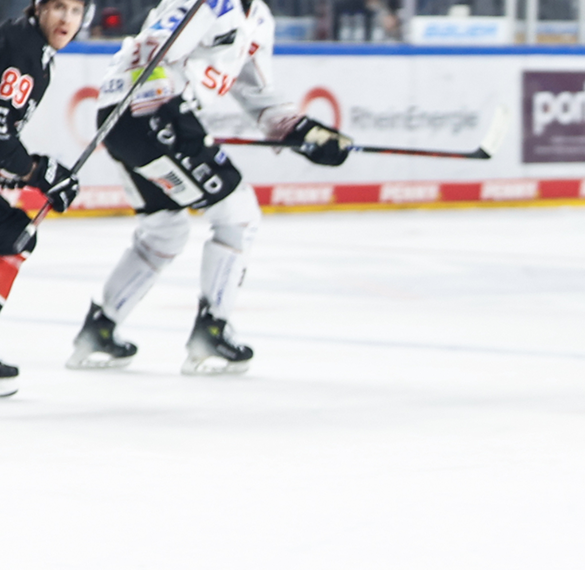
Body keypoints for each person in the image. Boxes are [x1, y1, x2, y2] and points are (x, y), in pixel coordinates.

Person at [69, 0, 353, 377]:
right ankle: (211, 332)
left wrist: (307, 133)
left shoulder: (259, 18)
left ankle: (99, 329)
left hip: (133, 119)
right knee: (240, 214)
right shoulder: (210, 2)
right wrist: (162, 105)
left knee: (165, 230)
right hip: (150, 111)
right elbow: (155, 45)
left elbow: (259, 98)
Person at [0, 0, 86, 398]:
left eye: (76, 9)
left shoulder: (33, 50)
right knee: (10, 237)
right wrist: (38, 172)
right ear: (39, 8)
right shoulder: (22, 47)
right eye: (58, 7)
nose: (67, 19)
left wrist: (36, 173)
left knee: (12, 234)